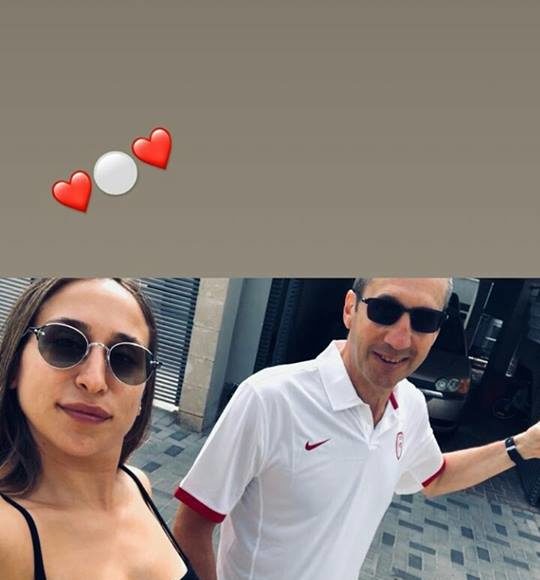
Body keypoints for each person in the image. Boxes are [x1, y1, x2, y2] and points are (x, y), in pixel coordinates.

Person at [172, 277, 540, 580]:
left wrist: (524, 444)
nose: (399, 339)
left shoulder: (410, 405)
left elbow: (436, 477)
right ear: (351, 308)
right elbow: (192, 525)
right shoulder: (269, 399)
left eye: (424, 320)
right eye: (384, 310)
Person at [0, 278, 197, 580]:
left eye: (125, 359)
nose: (94, 381)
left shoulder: (137, 485)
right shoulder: (7, 533)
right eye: (65, 344)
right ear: (15, 365)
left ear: (143, 394)